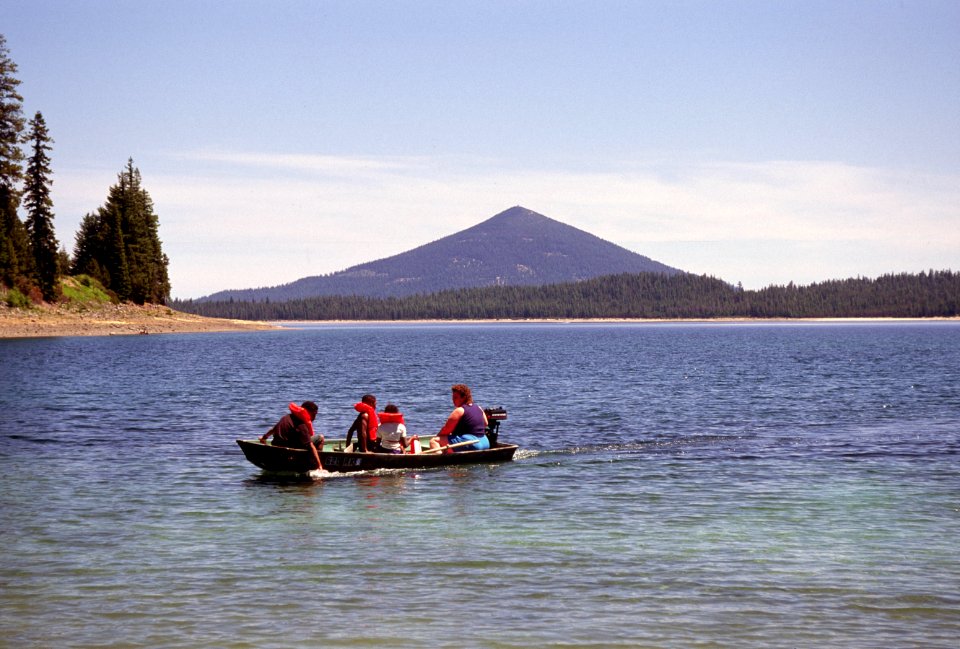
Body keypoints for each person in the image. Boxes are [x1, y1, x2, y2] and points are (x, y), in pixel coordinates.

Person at [260, 401, 324, 470]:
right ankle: (316, 462)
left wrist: (264, 437)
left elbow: (273, 429)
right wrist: (319, 466)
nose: (315, 417)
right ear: (308, 412)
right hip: (289, 451)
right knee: (320, 437)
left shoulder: (286, 417)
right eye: (314, 414)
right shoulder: (301, 424)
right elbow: (310, 445)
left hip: (277, 446)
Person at [430, 384, 490, 452]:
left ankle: (440, 461)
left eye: (455, 397)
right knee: (451, 439)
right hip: (485, 443)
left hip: (471, 443)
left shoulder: (459, 410)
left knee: (434, 441)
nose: (453, 400)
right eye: (452, 397)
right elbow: (485, 423)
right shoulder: (479, 408)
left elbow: (446, 430)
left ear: (464, 397)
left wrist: (438, 436)